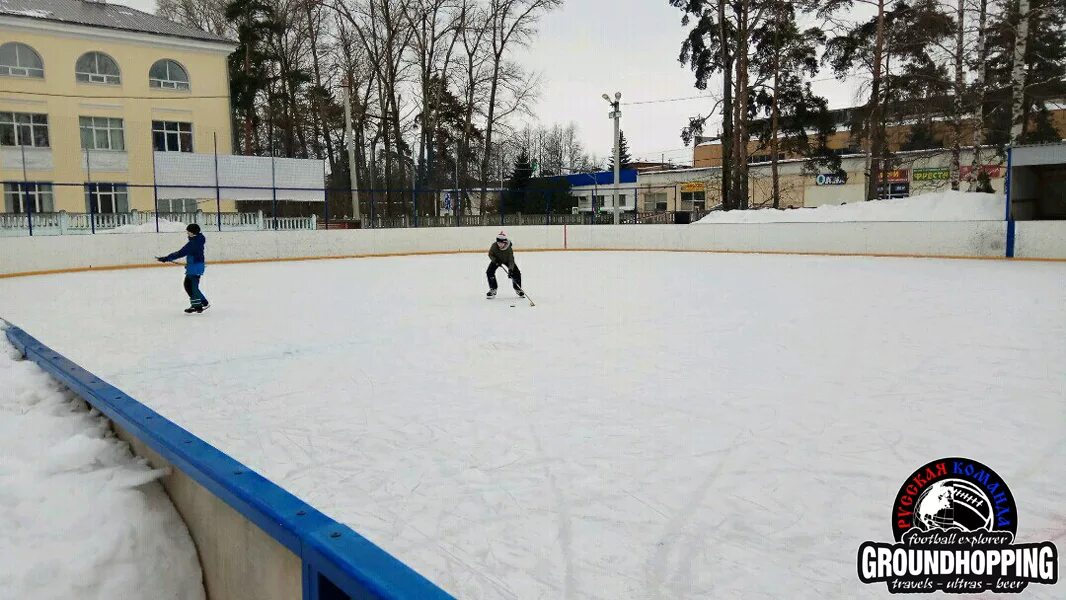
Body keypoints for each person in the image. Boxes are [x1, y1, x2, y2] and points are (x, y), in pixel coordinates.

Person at [157, 223, 210, 313]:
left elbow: (180, 253)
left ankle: (197, 306)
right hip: (195, 266)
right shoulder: (198, 239)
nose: (187, 233)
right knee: (191, 286)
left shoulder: (193, 243)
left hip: (195, 267)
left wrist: (167, 258)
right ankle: (203, 302)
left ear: (193, 232)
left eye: (188, 232)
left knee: (190, 286)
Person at [486, 231, 523, 298]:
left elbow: (511, 260)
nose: (499, 244)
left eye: (501, 243)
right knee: (489, 272)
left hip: (507, 260)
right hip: (497, 260)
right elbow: (490, 254)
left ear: (505, 242)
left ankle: (517, 288)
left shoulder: (509, 249)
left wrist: (510, 270)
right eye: (498, 243)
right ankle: (493, 289)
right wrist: (495, 261)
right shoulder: (494, 246)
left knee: (516, 273)